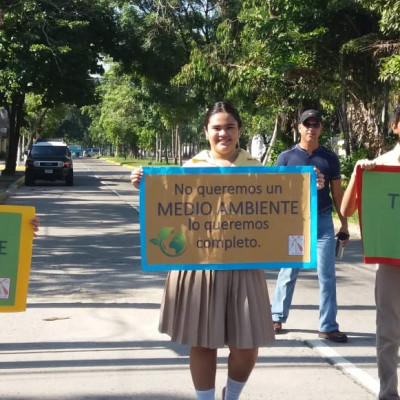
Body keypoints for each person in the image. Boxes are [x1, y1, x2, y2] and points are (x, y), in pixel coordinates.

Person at [131, 101, 275, 400]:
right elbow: (168, 208)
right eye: (217, 128)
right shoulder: (190, 168)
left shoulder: (257, 168)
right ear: (206, 132)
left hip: (244, 263)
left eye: (230, 127)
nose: (224, 133)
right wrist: (143, 183)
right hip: (199, 264)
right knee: (203, 342)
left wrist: (310, 187)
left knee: (247, 345)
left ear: (239, 130)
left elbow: (280, 209)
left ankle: (231, 395)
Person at [271, 109, 350, 343]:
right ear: (299, 127)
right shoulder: (286, 158)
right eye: (307, 124)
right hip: (296, 222)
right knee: (289, 271)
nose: (311, 128)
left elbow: (338, 194)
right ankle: (276, 317)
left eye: (315, 125)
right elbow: (276, 192)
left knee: (327, 274)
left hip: (323, 221)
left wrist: (344, 224)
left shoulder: (329, 159)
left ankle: (327, 325)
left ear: (320, 130)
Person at [341, 105, 400, 400]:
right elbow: (347, 210)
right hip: (390, 262)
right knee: (388, 331)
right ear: (395, 126)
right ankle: (388, 393)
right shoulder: (379, 166)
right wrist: (357, 172)